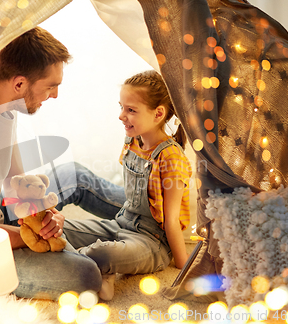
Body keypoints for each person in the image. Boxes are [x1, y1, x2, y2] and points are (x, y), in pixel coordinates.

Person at [0, 27, 121, 300]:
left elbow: (15, 183)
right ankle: (122, 236)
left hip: (0, 216)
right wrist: (33, 236)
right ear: (19, 84)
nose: (55, 95)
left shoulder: (6, 98)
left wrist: (46, 215)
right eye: (51, 86)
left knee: (75, 175)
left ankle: (147, 211)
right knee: (85, 274)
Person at [61, 70, 192, 300]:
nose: (121, 115)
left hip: (151, 242)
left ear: (158, 113)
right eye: (121, 107)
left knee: (103, 252)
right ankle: (97, 269)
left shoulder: (171, 157)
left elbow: (171, 219)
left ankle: (94, 265)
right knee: (61, 227)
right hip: (122, 222)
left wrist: (184, 267)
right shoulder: (132, 140)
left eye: (131, 110)